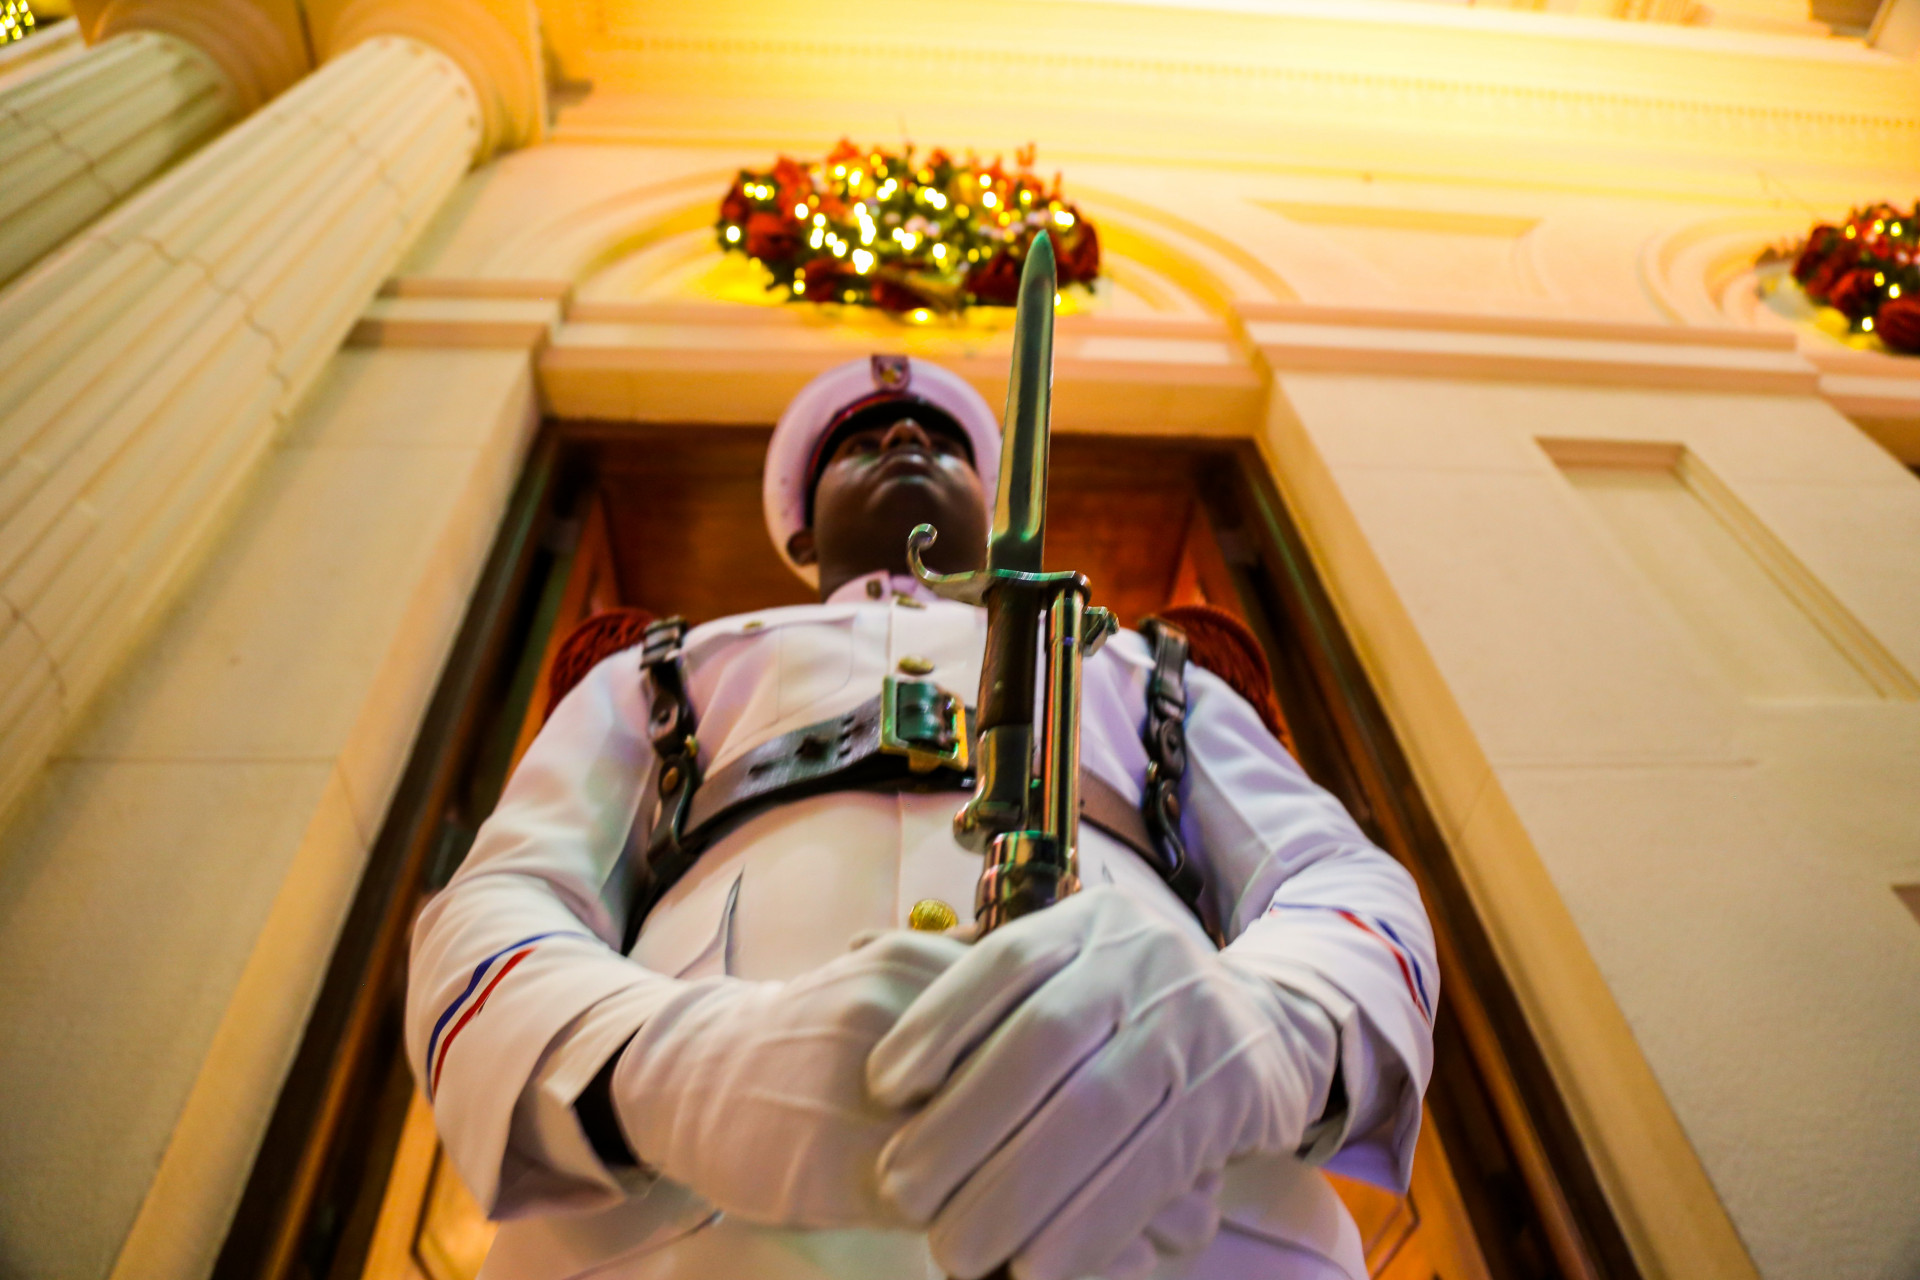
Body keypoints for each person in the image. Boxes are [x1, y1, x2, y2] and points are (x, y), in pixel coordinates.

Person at [406, 355, 1437, 1280]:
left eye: (942, 438)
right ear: (799, 524)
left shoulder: (1143, 669)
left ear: (990, 503)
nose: (905, 434)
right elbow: (501, 903)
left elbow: (1336, 879)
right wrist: (663, 1069)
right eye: (862, 439)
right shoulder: (667, 671)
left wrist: (1258, 1030)